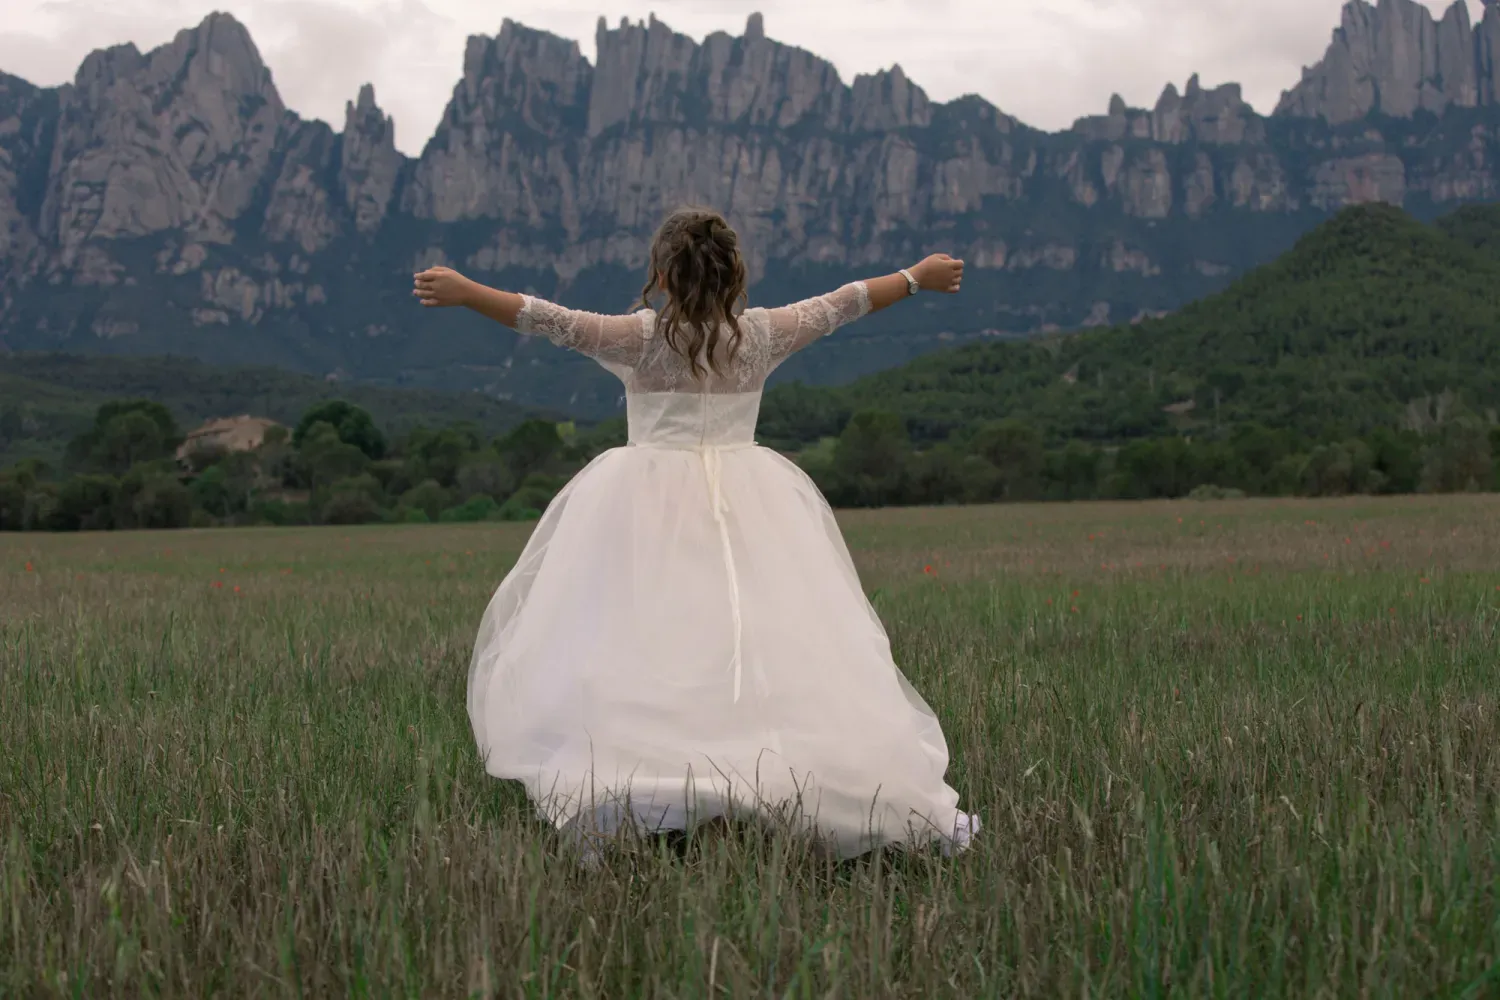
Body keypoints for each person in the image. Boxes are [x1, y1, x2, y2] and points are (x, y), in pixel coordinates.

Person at [413, 207, 979, 863]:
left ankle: (663, 781)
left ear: (660, 273)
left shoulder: (637, 338)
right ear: (736, 274)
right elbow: (847, 302)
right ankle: (755, 771)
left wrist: (464, 293)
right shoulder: (762, 335)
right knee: (754, 638)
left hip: (642, 511)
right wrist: (917, 277)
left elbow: (540, 316)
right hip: (751, 507)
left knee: (648, 639)